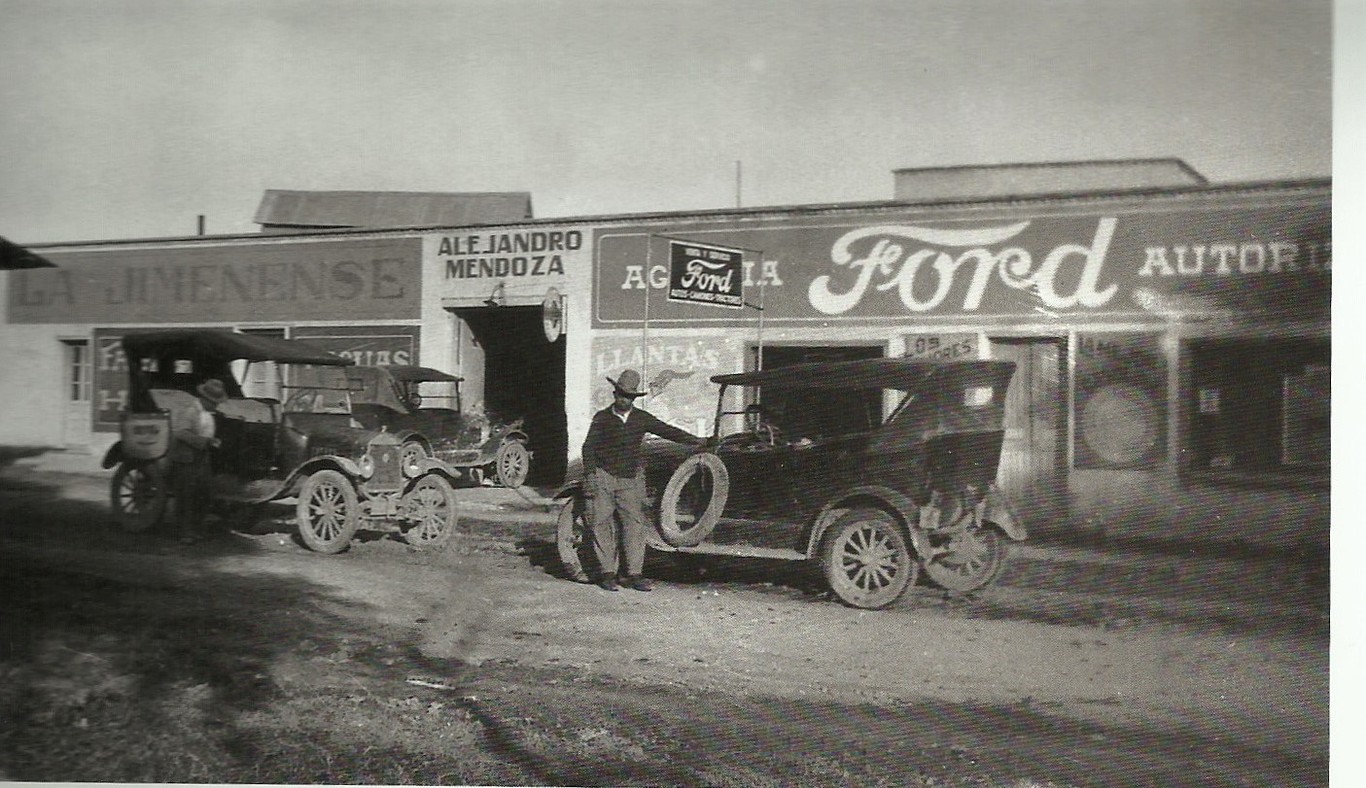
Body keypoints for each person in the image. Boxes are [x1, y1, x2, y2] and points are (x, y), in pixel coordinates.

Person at [581, 368, 707, 591]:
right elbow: (588, 447)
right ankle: (607, 574)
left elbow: (667, 431)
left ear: (634, 398)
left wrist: (697, 441)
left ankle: (634, 575)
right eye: (621, 394)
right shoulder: (602, 418)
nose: (624, 399)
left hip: (629, 480)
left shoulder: (641, 418)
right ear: (615, 394)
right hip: (604, 477)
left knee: (635, 525)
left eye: (629, 396)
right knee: (601, 523)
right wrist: (591, 474)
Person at [170, 378, 225, 544]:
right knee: (186, 495)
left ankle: (196, 529)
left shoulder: (207, 414)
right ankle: (184, 532)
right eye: (214, 403)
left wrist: (211, 441)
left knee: (203, 494)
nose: (216, 406)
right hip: (186, 457)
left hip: (201, 457)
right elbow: (181, 433)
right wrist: (205, 441)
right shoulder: (190, 412)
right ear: (205, 399)